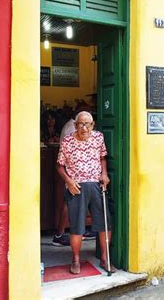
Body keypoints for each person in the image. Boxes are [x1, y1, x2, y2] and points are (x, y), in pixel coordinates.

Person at [57, 111, 114, 274]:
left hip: (96, 185)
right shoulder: (68, 141)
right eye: (80, 124)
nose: (84, 127)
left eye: (87, 124)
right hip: (76, 187)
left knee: (105, 223)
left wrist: (104, 174)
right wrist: (69, 181)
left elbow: (103, 157)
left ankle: (104, 258)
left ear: (92, 125)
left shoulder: (98, 137)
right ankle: (75, 259)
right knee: (77, 227)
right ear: (75, 125)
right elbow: (60, 166)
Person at [52, 105, 96, 247]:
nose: (85, 127)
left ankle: (75, 232)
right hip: (72, 173)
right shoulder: (72, 128)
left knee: (73, 203)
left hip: (75, 172)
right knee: (70, 203)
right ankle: (61, 234)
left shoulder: (69, 125)